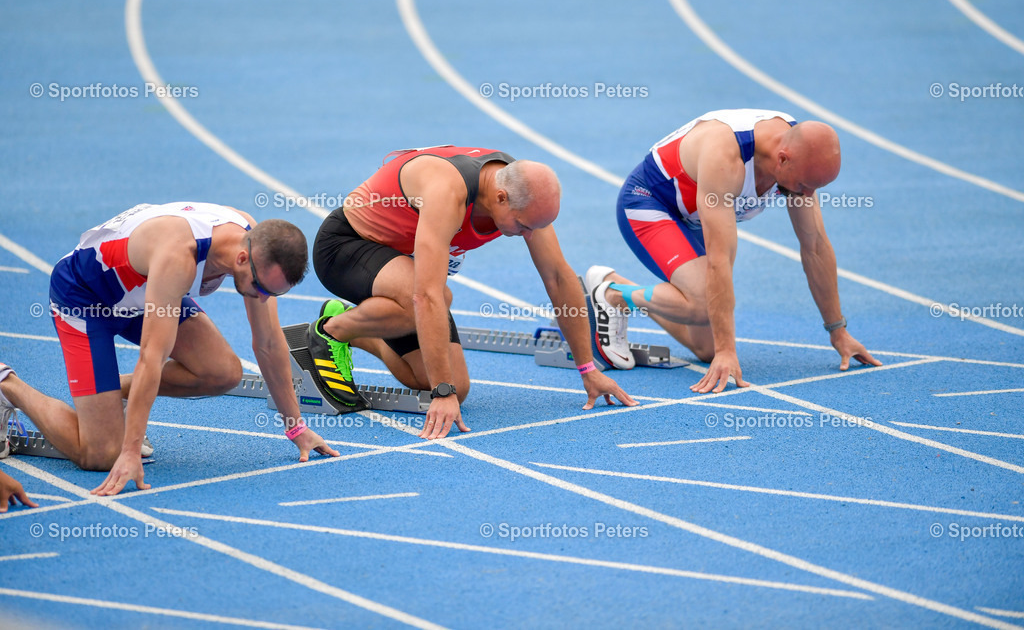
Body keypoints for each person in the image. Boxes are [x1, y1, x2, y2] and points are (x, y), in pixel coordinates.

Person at [0, 202, 339, 497]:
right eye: (261, 288)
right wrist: (130, 450)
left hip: (147, 295)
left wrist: (296, 427)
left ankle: (106, 395)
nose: (263, 298)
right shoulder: (180, 256)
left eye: (273, 294)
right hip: (85, 300)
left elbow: (267, 343)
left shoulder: (253, 240)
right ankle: (8, 385)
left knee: (224, 372)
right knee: (101, 454)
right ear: (241, 257)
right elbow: (151, 357)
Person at [308, 146, 637, 439]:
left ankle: (359, 329)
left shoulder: (525, 194)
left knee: (456, 387)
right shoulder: (447, 193)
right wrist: (441, 392)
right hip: (347, 248)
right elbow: (428, 296)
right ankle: (331, 331)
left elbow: (558, 277)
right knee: (429, 315)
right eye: (523, 226)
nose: (528, 234)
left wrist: (587, 368)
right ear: (500, 198)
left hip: (401, 265)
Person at [586, 109, 881, 392]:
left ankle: (622, 292)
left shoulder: (799, 163)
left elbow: (815, 246)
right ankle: (608, 294)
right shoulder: (725, 156)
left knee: (706, 348)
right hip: (651, 204)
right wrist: (728, 351)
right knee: (703, 308)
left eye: (815, 188)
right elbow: (719, 261)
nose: (806, 196)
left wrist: (837, 330)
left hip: (697, 214)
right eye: (804, 186)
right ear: (782, 159)